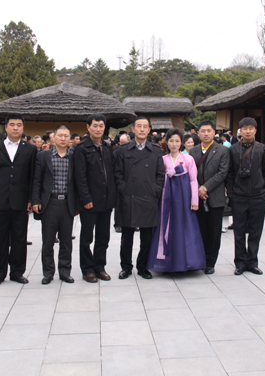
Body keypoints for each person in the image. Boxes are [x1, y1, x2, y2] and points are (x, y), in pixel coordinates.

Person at [0, 114, 37, 286]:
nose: (15, 128)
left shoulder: (30, 149)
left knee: (19, 239)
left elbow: (32, 177)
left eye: (19, 125)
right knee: (0, 238)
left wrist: (31, 199)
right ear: (5, 127)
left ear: (23, 128)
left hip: (20, 201)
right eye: (12, 125)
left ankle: (17, 272)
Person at [147, 129, 206, 273]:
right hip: (166, 198)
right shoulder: (163, 159)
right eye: (171, 141)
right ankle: (168, 262)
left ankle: (187, 262)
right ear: (166, 142)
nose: (174, 144)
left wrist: (194, 201)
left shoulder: (188, 159)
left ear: (182, 143)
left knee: (185, 227)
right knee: (166, 227)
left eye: (177, 141)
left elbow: (193, 180)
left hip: (184, 198)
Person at [114, 117, 165, 280]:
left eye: (145, 127)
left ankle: (143, 266)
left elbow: (160, 174)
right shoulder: (122, 150)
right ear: (133, 129)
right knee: (126, 236)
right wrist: (123, 189)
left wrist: (155, 190)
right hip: (129, 197)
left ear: (149, 130)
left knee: (147, 237)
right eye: (139, 126)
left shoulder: (156, 151)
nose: (142, 129)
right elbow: (118, 174)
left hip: (148, 198)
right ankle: (126, 267)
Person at [226, 118, 265, 276]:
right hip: (239, 196)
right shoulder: (233, 149)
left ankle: (252, 262)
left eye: (250, 128)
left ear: (255, 131)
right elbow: (230, 173)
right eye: (244, 128)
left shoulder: (262, 149)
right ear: (240, 131)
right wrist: (231, 193)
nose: (247, 131)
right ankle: (239, 262)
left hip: (258, 196)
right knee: (239, 231)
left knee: (255, 231)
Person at [74, 114, 117, 283]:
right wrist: (85, 198)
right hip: (90, 202)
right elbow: (80, 177)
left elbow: (111, 174)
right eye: (95, 126)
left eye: (101, 126)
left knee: (103, 237)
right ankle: (87, 269)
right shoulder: (81, 148)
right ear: (88, 127)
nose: (98, 129)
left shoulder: (107, 147)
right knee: (86, 238)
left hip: (106, 201)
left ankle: (100, 267)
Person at [32, 125, 76, 285]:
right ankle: (48, 273)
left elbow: (78, 181)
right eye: (60, 135)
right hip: (49, 203)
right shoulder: (43, 156)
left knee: (66, 241)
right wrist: (36, 200)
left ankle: (65, 272)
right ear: (54, 137)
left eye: (66, 136)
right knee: (48, 241)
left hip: (67, 204)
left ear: (69, 138)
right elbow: (36, 180)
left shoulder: (74, 156)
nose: (63, 138)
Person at [188, 120, 230, 274]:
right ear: (197, 133)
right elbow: (191, 173)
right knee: (200, 230)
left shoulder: (223, 151)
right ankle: (200, 260)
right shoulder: (193, 151)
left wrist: (205, 187)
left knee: (214, 231)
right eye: (203, 131)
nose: (206, 134)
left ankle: (211, 262)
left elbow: (222, 173)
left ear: (214, 133)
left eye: (209, 131)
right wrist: (199, 189)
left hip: (215, 197)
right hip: (197, 197)